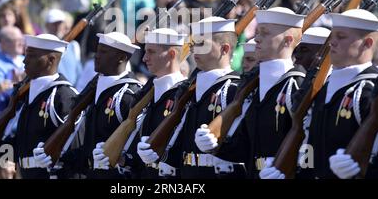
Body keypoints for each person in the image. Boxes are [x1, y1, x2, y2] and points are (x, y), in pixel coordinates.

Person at [260, 9, 378, 179]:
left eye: (341, 37)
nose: (332, 42)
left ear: (367, 43)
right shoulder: (324, 88)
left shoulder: (370, 89)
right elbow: (310, 146)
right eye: (332, 36)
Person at [195, 7, 307, 179]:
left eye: (264, 33)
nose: (257, 39)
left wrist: (291, 168)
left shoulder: (295, 85)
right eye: (257, 32)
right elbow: (244, 147)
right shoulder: (254, 86)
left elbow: (308, 142)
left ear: (288, 40)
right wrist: (214, 146)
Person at [139, 17, 243, 179]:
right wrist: (157, 152)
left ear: (224, 49)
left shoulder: (235, 89)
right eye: (194, 44)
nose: (194, 49)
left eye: (202, 44)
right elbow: (180, 143)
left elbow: (248, 144)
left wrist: (218, 148)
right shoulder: (189, 90)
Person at [34, 32, 143, 179]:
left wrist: (123, 159)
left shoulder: (129, 95)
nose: (97, 56)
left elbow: (137, 145)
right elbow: (87, 147)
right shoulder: (94, 91)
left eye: (103, 52)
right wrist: (58, 156)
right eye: (97, 50)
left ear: (122, 58)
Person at [0, 34, 79, 179]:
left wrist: (57, 158)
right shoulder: (28, 95)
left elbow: (77, 148)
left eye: (32, 56)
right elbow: (19, 151)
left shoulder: (64, 96)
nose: (24, 61)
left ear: (51, 60)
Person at [102, 28, 187, 178]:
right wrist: (123, 159)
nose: (144, 58)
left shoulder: (185, 95)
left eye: (151, 52)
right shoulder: (146, 93)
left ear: (172, 54)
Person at [44, 8, 82, 87]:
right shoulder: (42, 47)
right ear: (47, 25)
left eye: (60, 23)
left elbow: (79, 74)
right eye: (54, 24)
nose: (57, 27)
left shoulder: (74, 46)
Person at [0, 26, 25, 93]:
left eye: (22, 39)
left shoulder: (25, 59)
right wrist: (17, 83)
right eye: (18, 40)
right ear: (4, 43)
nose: (22, 43)